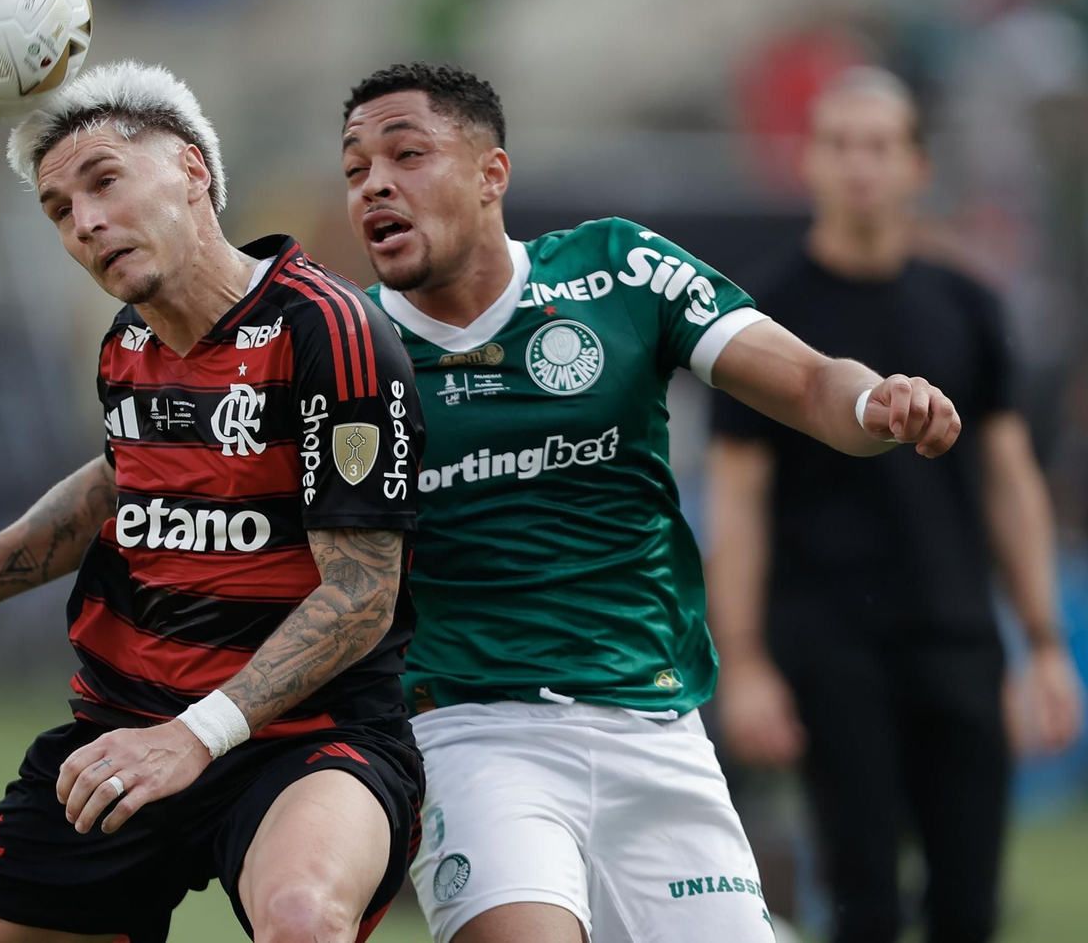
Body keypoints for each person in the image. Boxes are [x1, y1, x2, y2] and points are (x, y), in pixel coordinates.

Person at [337, 61, 962, 943]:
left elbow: (814, 382)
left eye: (406, 154)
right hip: (474, 737)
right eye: (357, 168)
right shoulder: (349, 346)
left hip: (655, 727)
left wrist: (876, 404)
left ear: (491, 175)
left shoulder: (620, 271)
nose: (377, 185)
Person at [0, 61, 427, 943]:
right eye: (60, 211)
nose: (87, 223)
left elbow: (363, 592)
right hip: (122, 734)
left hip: (306, 743)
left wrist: (195, 736)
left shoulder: (328, 332)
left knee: (302, 919)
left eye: (105, 182)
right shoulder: (129, 343)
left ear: (191, 171)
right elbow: (119, 479)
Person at [706, 68, 1084, 943]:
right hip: (828, 641)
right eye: (839, 145)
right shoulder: (766, 318)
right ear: (810, 163)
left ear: (916, 165)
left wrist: (1042, 644)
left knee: (969, 905)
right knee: (862, 900)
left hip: (955, 632)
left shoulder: (967, 304)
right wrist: (749, 660)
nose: (859, 167)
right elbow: (738, 494)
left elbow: (1010, 477)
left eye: (879, 146)